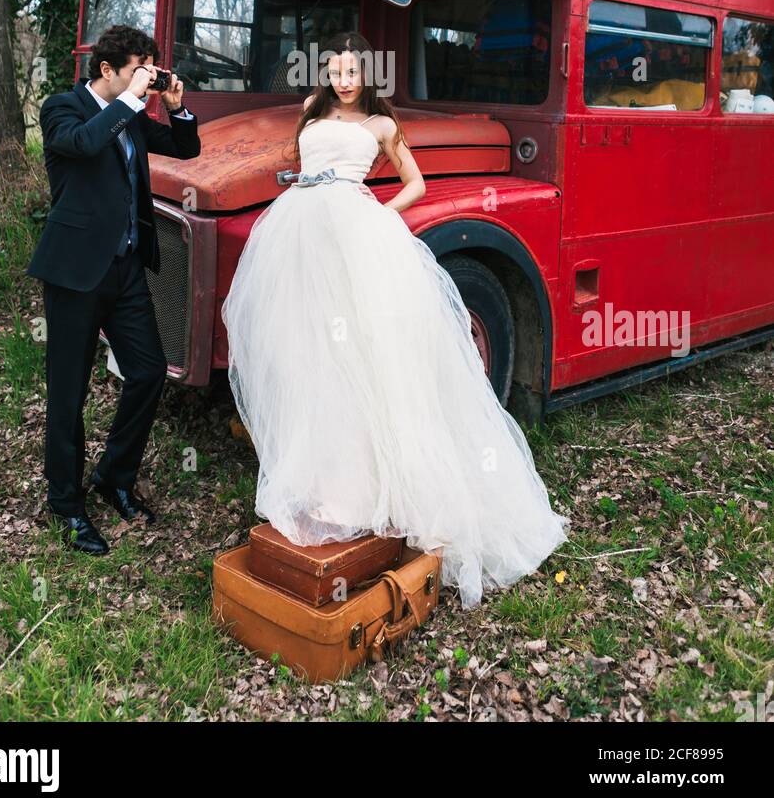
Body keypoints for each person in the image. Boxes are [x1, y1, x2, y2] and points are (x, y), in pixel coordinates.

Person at [221, 31, 570, 610]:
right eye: (336, 70)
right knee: (308, 350)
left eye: (354, 70)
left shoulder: (382, 127)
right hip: (300, 235)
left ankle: (360, 484)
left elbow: (417, 184)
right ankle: (315, 472)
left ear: (368, 76)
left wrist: (377, 215)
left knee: (359, 351)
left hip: (354, 233)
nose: (344, 79)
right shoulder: (312, 110)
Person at [27, 24, 200, 555]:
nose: (144, 81)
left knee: (147, 371)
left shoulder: (133, 115)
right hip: (76, 272)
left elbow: (185, 148)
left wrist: (175, 107)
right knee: (69, 390)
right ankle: (67, 504)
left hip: (126, 269)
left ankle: (114, 477)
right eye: (136, 71)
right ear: (108, 70)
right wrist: (129, 100)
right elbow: (82, 144)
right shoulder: (62, 109)